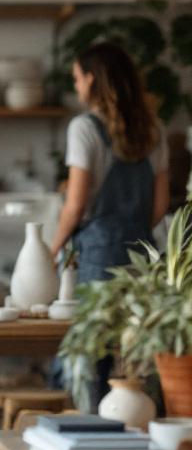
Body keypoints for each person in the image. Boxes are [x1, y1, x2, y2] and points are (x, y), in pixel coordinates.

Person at [50, 42, 170, 279]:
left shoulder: (83, 128)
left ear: (91, 79)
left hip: (100, 258)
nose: (76, 87)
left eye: (77, 79)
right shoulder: (154, 129)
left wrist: (51, 251)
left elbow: (75, 207)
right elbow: (160, 206)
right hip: (143, 257)